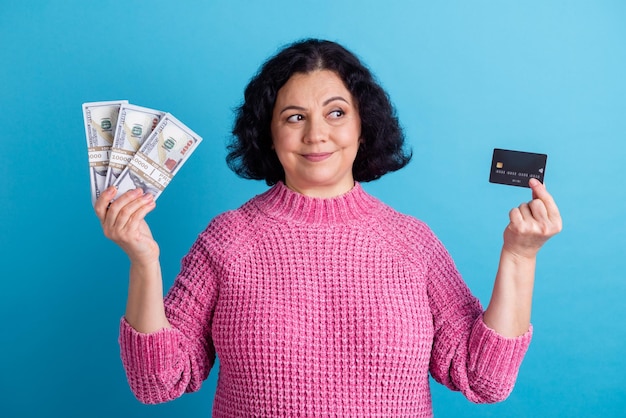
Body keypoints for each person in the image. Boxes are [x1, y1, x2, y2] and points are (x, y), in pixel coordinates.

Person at [94, 39, 562, 416]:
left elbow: (484, 379)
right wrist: (143, 262)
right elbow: (158, 383)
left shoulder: (411, 243)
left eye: (336, 113)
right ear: (268, 134)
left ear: (363, 126)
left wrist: (520, 255)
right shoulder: (228, 239)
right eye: (294, 117)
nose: (316, 134)